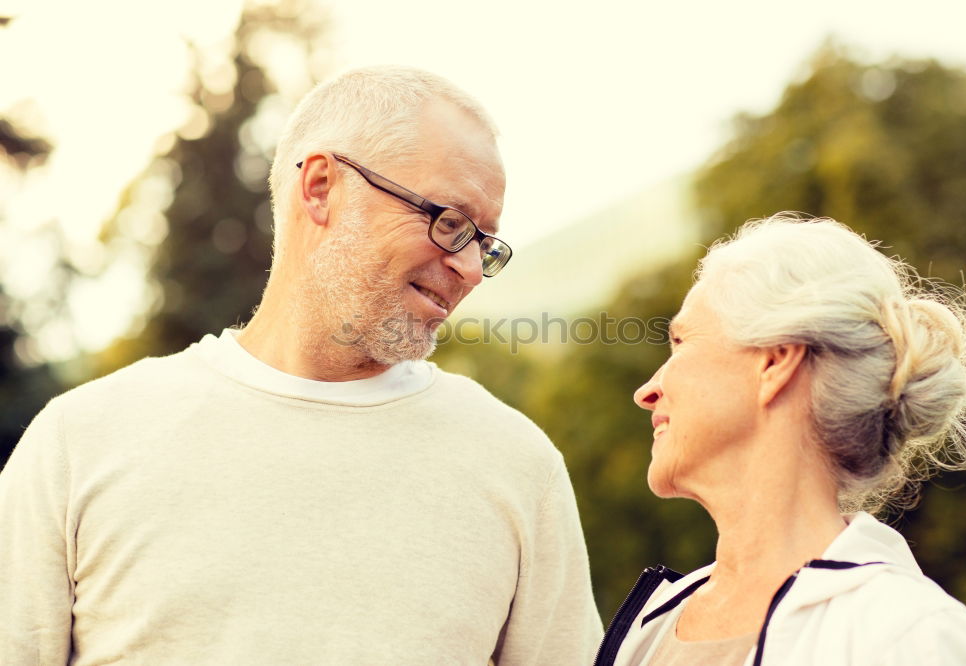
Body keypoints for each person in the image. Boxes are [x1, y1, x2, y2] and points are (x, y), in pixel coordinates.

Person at [0, 66, 603, 664]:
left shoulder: (519, 468)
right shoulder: (78, 443)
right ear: (320, 187)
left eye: (485, 242)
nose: (471, 268)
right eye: (450, 223)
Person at [593, 215, 966, 665]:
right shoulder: (651, 627)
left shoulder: (911, 638)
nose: (647, 391)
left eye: (681, 342)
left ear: (775, 362)